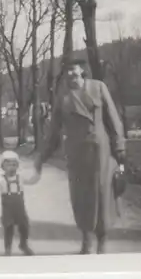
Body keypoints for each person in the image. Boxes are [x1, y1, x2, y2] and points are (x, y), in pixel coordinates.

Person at [34, 58, 126, 255]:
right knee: (80, 197)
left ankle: (102, 240)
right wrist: (42, 156)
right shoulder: (63, 98)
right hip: (76, 153)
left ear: (83, 73)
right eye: (68, 75)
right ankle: (86, 240)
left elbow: (113, 119)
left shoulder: (99, 88)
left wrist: (119, 148)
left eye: (75, 74)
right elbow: (53, 133)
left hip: (100, 151)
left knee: (102, 195)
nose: (72, 78)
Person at [0, 151, 40, 256]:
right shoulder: (1, 179)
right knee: (8, 228)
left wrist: (38, 170)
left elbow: (32, 180)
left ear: (17, 166)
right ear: (2, 166)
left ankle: (23, 244)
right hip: (8, 210)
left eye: (14, 164)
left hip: (20, 208)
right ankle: (7, 249)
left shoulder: (21, 178)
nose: (11, 167)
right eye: (8, 165)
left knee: (24, 226)